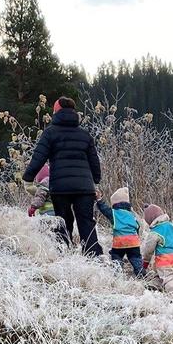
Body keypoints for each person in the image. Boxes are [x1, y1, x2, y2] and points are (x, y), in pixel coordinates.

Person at [22, 97, 102, 256]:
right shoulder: (85, 135)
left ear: (56, 112)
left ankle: (64, 255)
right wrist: (96, 179)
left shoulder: (50, 133)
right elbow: (94, 161)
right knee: (86, 222)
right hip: (84, 188)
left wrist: (28, 177)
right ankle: (94, 257)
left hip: (60, 188)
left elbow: (39, 157)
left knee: (63, 223)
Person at [96, 186, 144, 277]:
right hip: (133, 242)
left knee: (116, 255)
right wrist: (136, 237)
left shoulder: (114, 213)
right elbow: (137, 226)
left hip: (120, 242)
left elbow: (105, 210)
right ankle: (141, 273)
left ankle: (117, 272)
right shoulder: (132, 214)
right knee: (135, 257)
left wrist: (99, 200)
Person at [141, 204, 173, 295]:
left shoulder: (155, 232)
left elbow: (148, 251)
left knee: (168, 280)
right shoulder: (171, 226)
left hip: (166, 260)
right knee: (159, 273)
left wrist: (145, 262)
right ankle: (153, 287)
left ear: (149, 220)